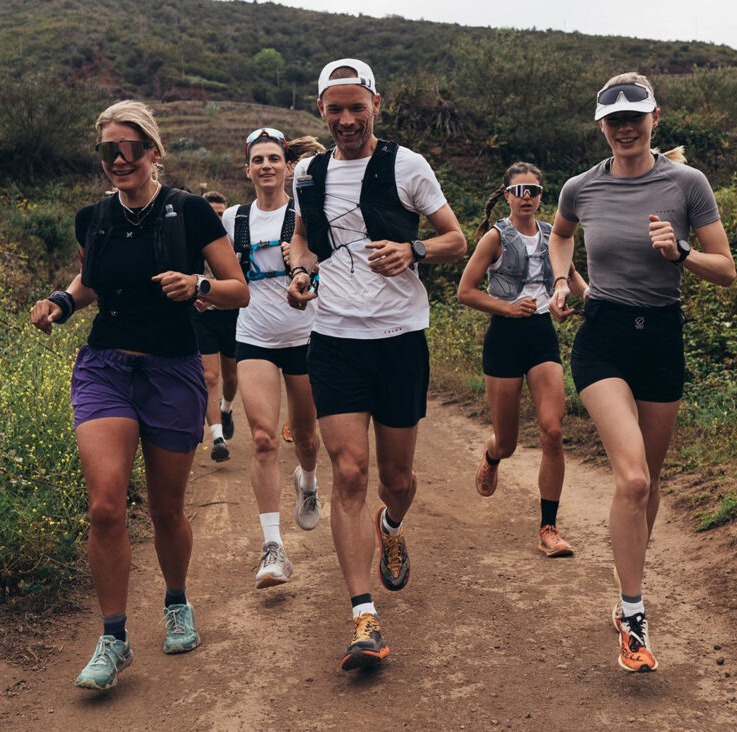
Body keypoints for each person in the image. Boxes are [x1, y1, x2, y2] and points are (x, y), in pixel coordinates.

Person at [29, 101, 249, 690]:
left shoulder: (191, 211)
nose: (119, 160)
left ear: (153, 150)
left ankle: (176, 600)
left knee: (166, 509)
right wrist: (62, 303)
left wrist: (197, 283)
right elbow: (92, 281)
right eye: (109, 150)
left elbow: (238, 290)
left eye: (130, 148)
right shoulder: (92, 218)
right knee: (104, 506)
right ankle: (113, 636)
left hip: (173, 369)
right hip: (105, 367)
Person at [548, 73, 736, 673]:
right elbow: (560, 234)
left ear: (655, 117)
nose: (625, 127)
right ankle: (633, 616)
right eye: (614, 118)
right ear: (600, 125)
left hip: (661, 338)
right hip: (601, 337)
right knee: (631, 480)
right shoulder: (581, 187)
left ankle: (627, 581)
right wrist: (561, 280)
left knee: (648, 485)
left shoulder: (687, 184)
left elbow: (726, 269)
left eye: (636, 115)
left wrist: (680, 252)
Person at [285, 58, 466, 671]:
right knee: (349, 471)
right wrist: (302, 272)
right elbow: (306, 239)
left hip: (398, 339)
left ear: (376, 106)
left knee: (398, 478)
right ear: (321, 111)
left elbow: (455, 239)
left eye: (355, 106)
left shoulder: (406, 165)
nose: (345, 119)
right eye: (334, 108)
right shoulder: (306, 172)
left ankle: (391, 525)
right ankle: (363, 614)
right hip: (333, 339)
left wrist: (413, 249)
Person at [457, 162, 587, 558]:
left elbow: (573, 278)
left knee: (552, 431)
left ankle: (548, 527)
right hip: (505, 337)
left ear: (541, 195)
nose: (525, 197)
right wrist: (507, 308)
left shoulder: (553, 235)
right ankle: (492, 454)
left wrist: (585, 299)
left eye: (532, 190)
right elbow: (466, 291)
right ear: (507, 194)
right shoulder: (496, 237)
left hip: (541, 335)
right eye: (518, 190)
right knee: (509, 442)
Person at [222, 128, 325, 589]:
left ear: (287, 166)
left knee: (306, 438)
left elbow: (329, 268)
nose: (266, 166)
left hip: (306, 336)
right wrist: (209, 296)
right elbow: (223, 274)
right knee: (263, 439)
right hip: (254, 337)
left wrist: (301, 261)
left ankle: (308, 480)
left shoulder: (307, 215)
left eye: (274, 159)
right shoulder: (231, 219)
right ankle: (273, 548)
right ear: (247, 169)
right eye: (257, 159)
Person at [193, 190, 239, 462]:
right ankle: (218, 437)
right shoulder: (192, 240)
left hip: (232, 316)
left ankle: (227, 408)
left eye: (221, 214)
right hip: (203, 317)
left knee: (231, 376)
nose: (217, 218)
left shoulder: (233, 240)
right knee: (210, 377)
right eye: (212, 213)